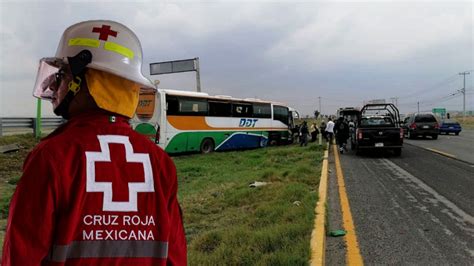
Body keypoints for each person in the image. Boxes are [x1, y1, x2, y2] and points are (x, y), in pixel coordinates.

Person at [2, 20, 187, 265]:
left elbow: (20, 256)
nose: (55, 85)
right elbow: (176, 255)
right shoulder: (160, 162)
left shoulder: (51, 157)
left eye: (62, 75)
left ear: (84, 83)